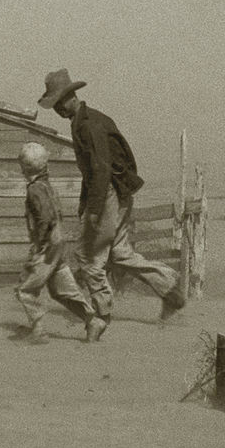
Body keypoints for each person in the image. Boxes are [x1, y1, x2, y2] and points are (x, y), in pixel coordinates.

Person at [37, 70, 185, 337]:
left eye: (60, 102)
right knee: (120, 254)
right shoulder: (84, 119)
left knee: (88, 256)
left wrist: (94, 211)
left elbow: (101, 169)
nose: (58, 109)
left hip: (109, 194)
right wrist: (87, 203)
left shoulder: (88, 124)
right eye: (55, 105)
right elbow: (93, 171)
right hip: (113, 192)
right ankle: (169, 288)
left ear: (71, 96)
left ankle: (101, 315)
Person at [14, 141, 105, 342]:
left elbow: (45, 217)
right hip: (58, 244)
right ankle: (93, 320)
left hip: (47, 246)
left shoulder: (34, 189)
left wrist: (41, 246)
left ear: (25, 167)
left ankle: (38, 331)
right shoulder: (48, 186)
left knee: (25, 289)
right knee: (62, 290)